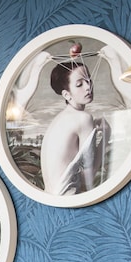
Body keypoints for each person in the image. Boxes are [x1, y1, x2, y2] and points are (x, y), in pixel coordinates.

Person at [40, 60, 108, 196]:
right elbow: (88, 178)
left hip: (51, 199)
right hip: (69, 198)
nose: (88, 87)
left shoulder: (59, 119)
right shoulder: (83, 118)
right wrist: (106, 135)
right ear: (66, 94)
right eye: (79, 84)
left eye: (89, 80)